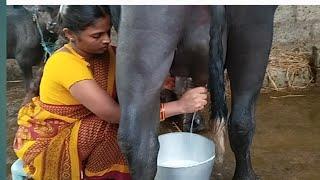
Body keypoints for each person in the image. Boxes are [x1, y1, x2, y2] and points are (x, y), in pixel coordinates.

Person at [13, 5, 208, 180]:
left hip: (84, 126)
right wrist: (179, 106)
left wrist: (159, 83)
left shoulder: (107, 54)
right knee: (112, 129)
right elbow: (116, 115)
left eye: (108, 31)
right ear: (70, 34)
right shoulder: (65, 64)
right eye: (97, 35)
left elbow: (132, 78)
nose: (106, 40)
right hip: (53, 140)